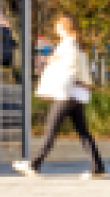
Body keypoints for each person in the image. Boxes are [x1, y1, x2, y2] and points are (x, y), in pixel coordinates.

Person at [14, 14, 105, 179]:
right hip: (74, 95)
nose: (55, 28)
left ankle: (34, 164)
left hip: (66, 94)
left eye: (57, 25)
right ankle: (97, 166)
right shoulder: (73, 44)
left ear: (63, 26)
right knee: (83, 133)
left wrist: (55, 88)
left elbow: (68, 71)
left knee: (50, 131)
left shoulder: (68, 45)